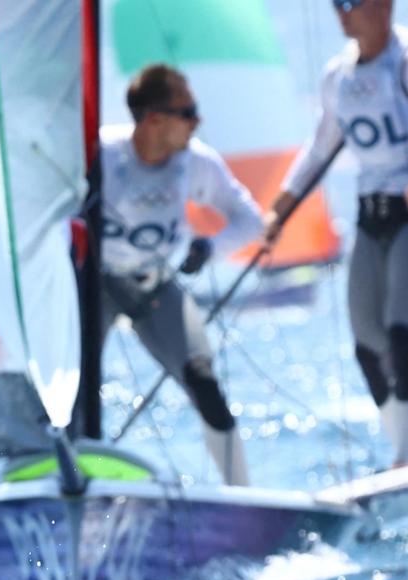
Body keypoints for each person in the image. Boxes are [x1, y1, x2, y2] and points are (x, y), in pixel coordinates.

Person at [263, 0, 408, 469]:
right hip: (370, 216)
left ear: (383, 5)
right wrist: (280, 207)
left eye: (351, 2)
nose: (341, 12)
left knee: (403, 335)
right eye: (334, 4)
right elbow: (320, 147)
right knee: (367, 346)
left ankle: (405, 457)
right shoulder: (336, 77)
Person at [95, 63, 263, 486]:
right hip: (93, 287)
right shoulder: (99, 154)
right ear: (154, 120)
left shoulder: (196, 162)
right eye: (187, 112)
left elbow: (250, 220)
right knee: (73, 395)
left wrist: (208, 249)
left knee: (204, 384)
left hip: (155, 288)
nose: (197, 121)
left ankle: (240, 495)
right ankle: (75, 486)